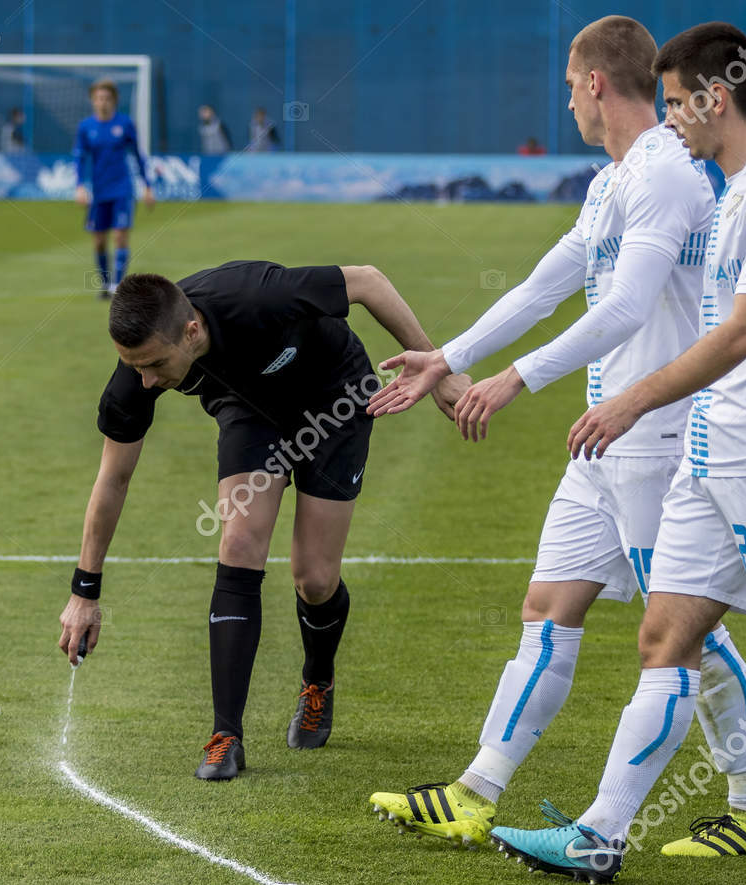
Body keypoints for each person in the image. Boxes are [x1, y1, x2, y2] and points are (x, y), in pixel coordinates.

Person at [490, 22, 746, 885]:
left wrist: (632, 399)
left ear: (717, 98)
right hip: (711, 454)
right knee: (665, 637)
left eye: (679, 104)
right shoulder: (731, 191)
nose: (671, 120)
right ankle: (602, 833)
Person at [364, 15, 746, 860]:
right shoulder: (612, 181)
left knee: (686, 635)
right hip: (604, 441)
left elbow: (625, 306)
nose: (566, 99)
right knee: (547, 610)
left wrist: (515, 379)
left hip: (656, 436)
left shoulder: (664, 174)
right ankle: (475, 792)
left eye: (567, 83)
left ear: (595, 83)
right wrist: (449, 356)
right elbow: (547, 283)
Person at [57, 264, 470, 779]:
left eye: (156, 364)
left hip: (335, 398)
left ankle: (317, 679)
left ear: (192, 331)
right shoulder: (135, 379)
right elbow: (112, 481)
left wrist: (440, 369)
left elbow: (366, 281)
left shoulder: (257, 297)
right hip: (249, 411)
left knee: (314, 579)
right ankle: (225, 735)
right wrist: (84, 592)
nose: (146, 380)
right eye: (134, 366)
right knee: (240, 540)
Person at [73, 79, 155, 299]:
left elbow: (139, 155)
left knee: (120, 237)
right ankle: (105, 282)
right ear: (93, 100)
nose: (103, 102)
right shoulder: (86, 127)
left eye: (107, 98)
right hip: (99, 192)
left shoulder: (125, 123)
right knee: (99, 240)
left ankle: (117, 286)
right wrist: (79, 186)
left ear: (114, 101)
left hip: (122, 189)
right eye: (99, 98)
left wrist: (148, 185)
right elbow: (79, 159)